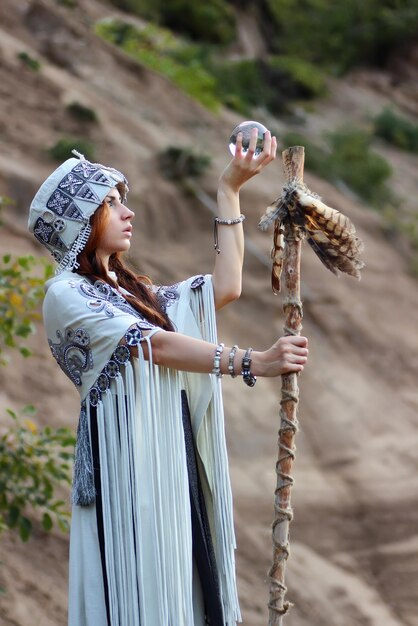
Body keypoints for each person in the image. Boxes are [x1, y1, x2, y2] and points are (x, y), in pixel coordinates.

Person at [28, 129, 308, 626]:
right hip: (130, 470)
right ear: (79, 223)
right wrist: (252, 362)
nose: (128, 212)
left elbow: (225, 285)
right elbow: (154, 345)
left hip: (168, 461)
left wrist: (230, 189)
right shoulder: (67, 295)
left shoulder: (136, 295)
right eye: (110, 204)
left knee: (186, 596)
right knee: (144, 599)